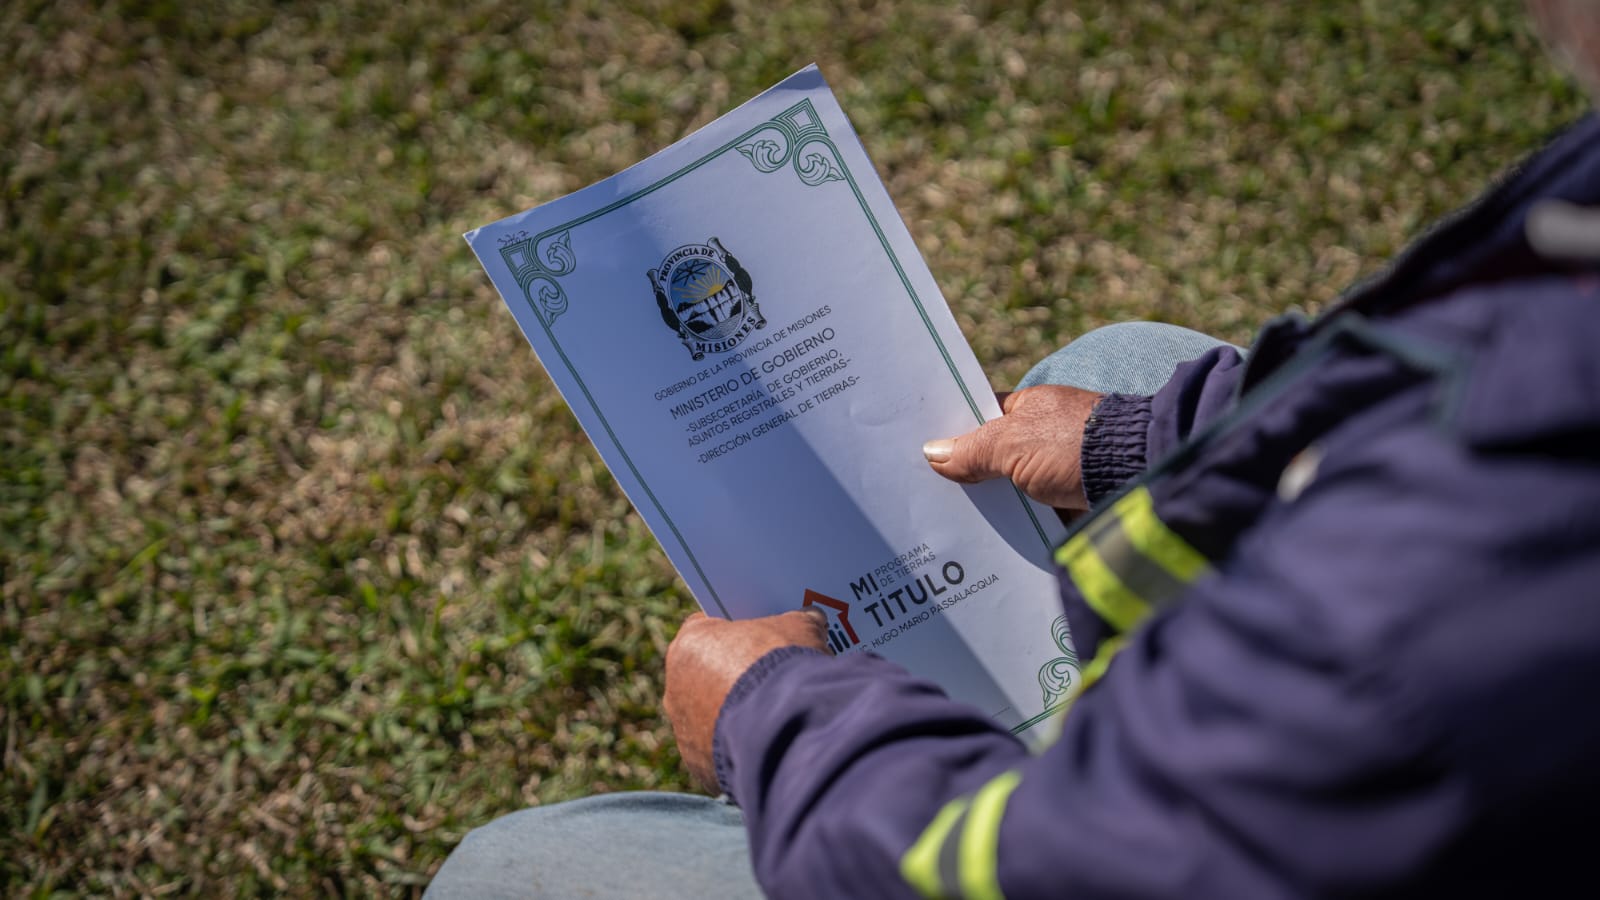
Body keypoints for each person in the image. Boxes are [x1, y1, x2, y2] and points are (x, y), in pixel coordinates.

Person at [428, 2, 1600, 896]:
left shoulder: (1413, 618)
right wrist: (1144, 433)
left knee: (516, 869)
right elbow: (1450, 367)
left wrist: (775, 721)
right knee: (1129, 357)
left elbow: (1059, 870)